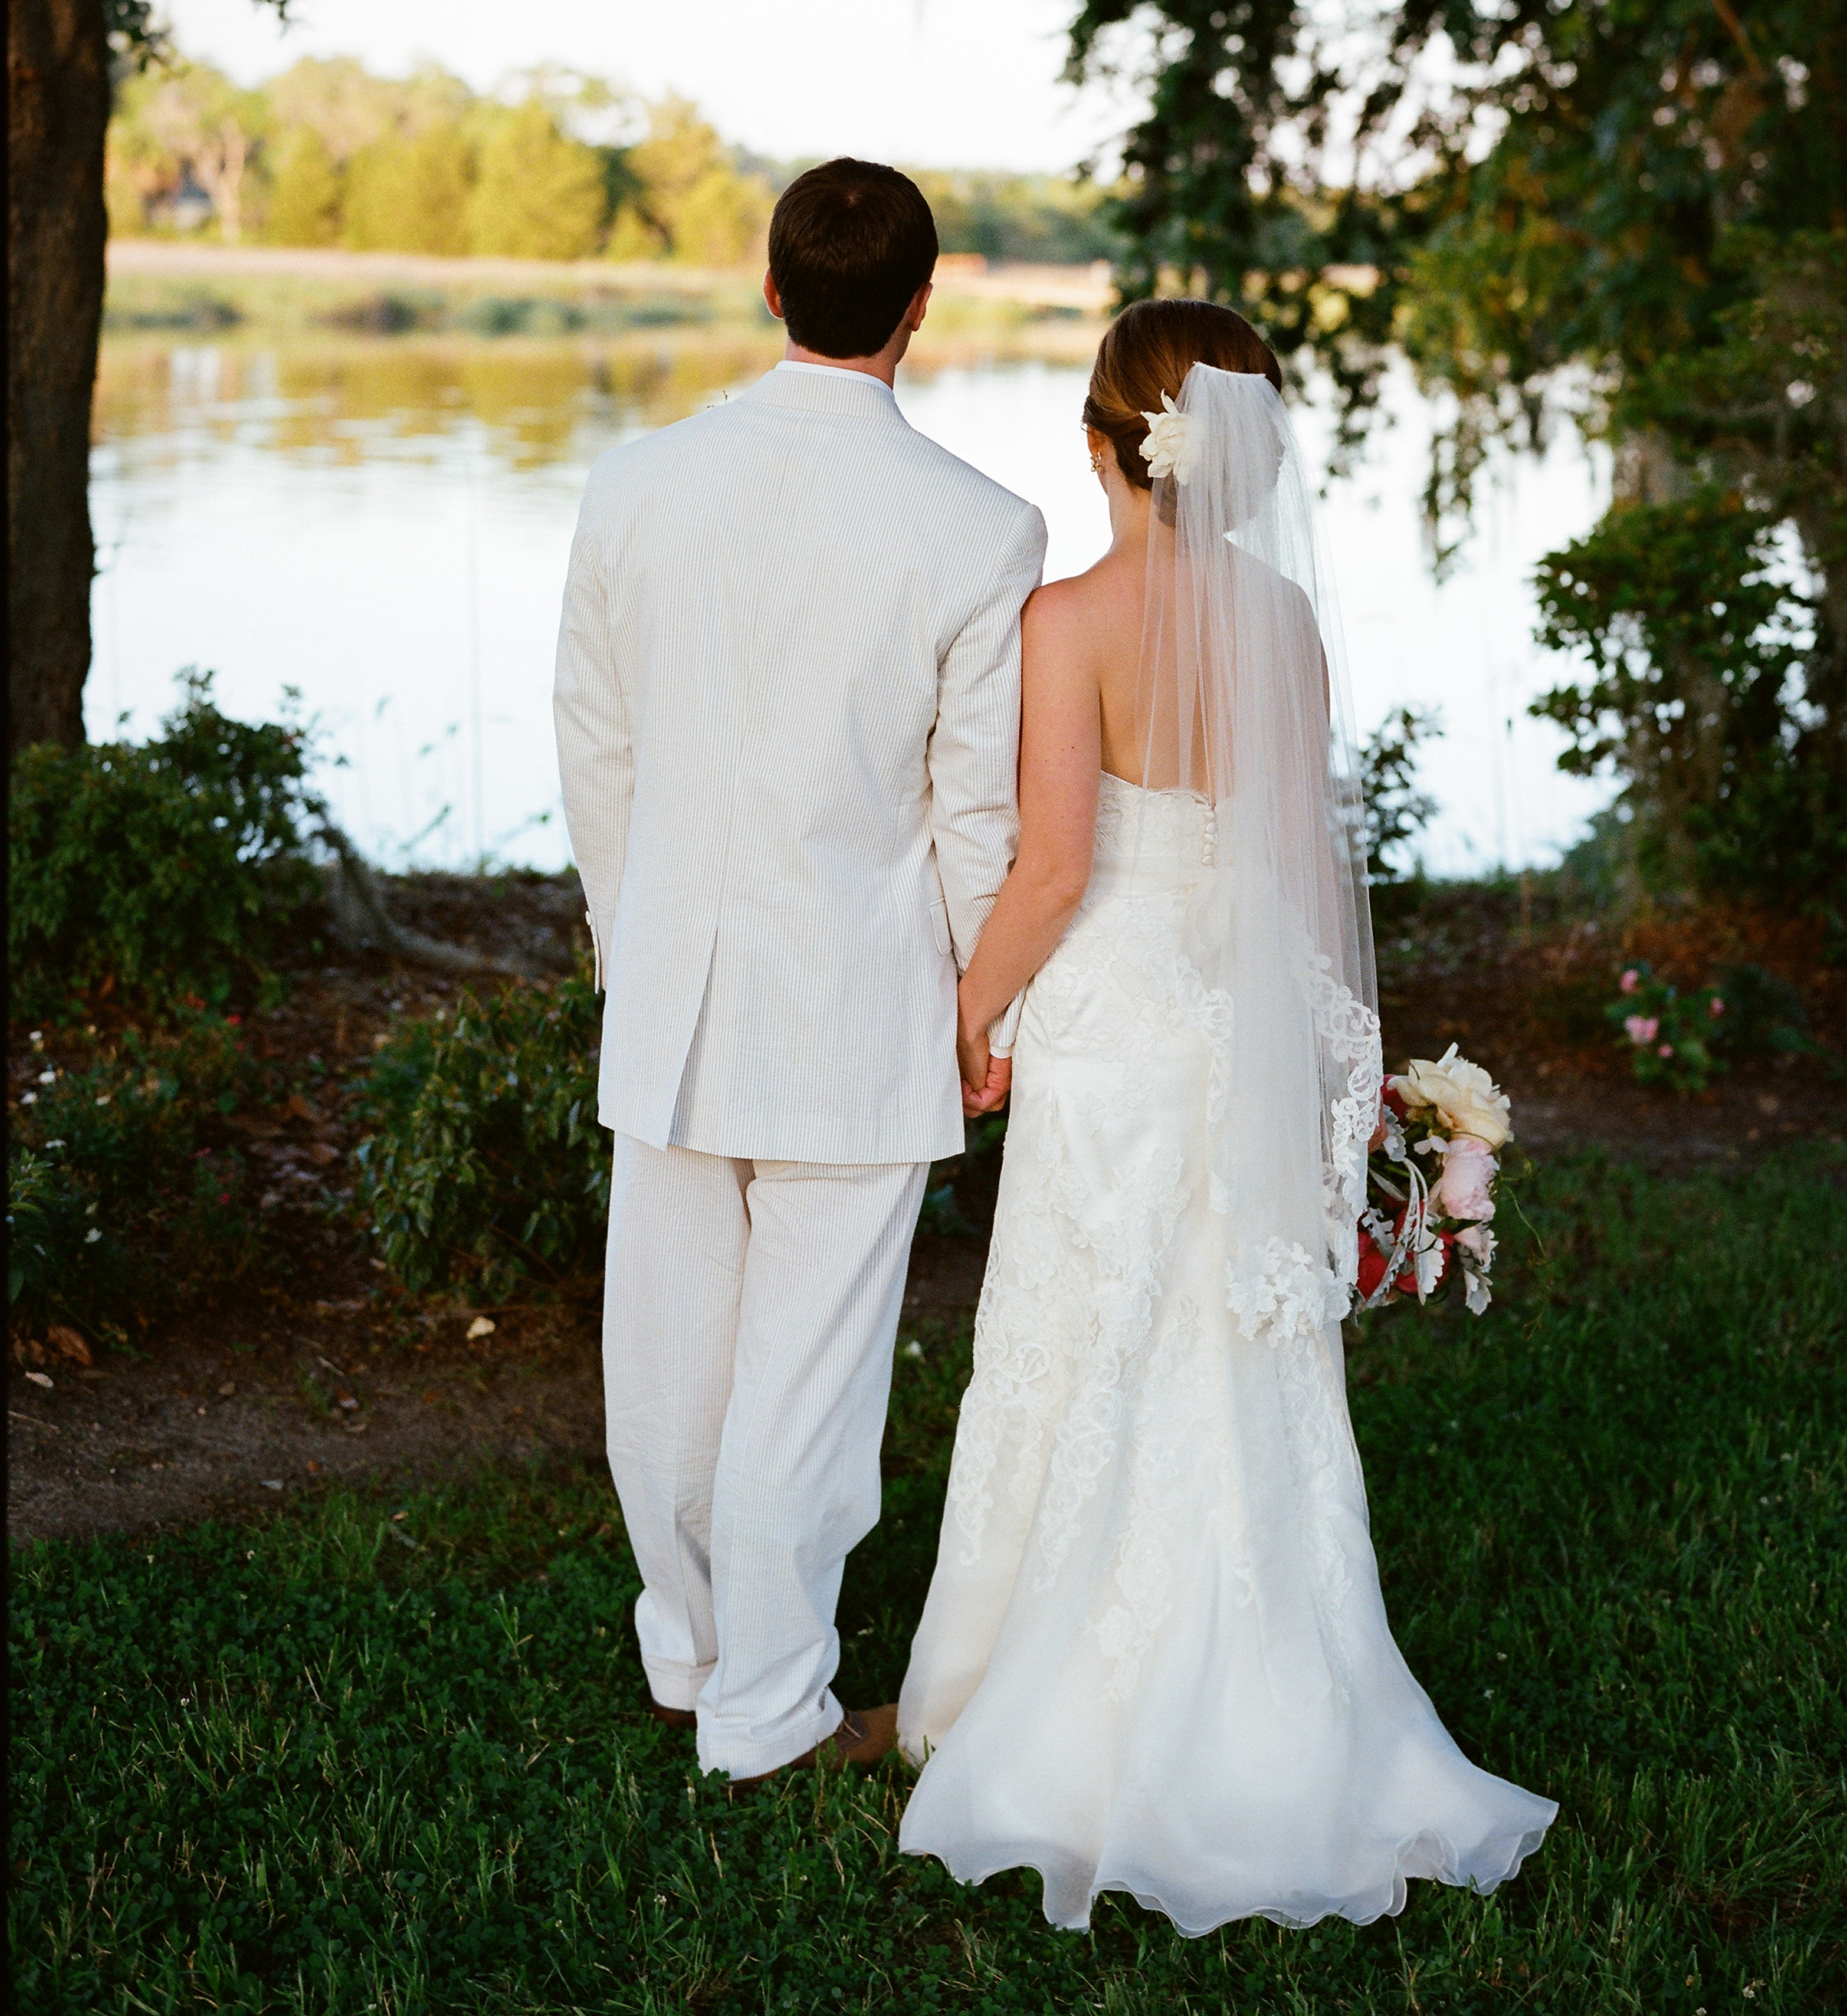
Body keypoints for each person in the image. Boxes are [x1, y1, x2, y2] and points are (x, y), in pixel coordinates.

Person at [898, 298, 1556, 1932]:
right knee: (1225, 1341)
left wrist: (963, 1012)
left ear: (1102, 440)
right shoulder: (1281, 623)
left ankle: (1027, 1692)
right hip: (1233, 1011)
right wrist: (1332, 1073)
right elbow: (1287, 871)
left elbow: (1050, 872)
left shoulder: (1069, 620)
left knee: (1085, 1324)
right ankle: (1284, 1692)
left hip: (1113, 1019)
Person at [553, 158, 1044, 1784]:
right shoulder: (981, 528)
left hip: (675, 996)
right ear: (917, 309)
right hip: (852, 1003)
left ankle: (687, 1656)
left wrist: (638, 953)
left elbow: (595, 753)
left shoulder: (632, 484)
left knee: (667, 1357)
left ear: (771, 290)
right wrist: (990, 1010)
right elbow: (973, 816)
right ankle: (767, 1710)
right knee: (803, 1391)